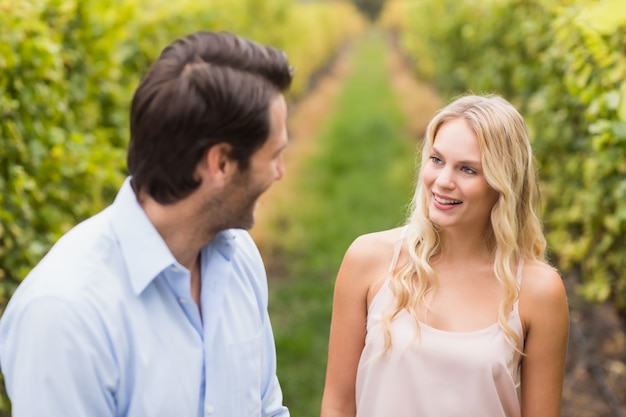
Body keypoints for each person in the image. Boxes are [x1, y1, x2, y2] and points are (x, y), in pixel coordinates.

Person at [0, 30, 294, 417]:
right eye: (274, 155)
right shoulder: (65, 314)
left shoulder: (238, 260)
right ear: (220, 163)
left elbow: (267, 409)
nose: (280, 172)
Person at [320, 94, 569, 417]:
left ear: (502, 184)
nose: (442, 181)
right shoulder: (368, 260)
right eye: (437, 160)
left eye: (467, 169)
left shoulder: (539, 291)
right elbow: (338, 406)